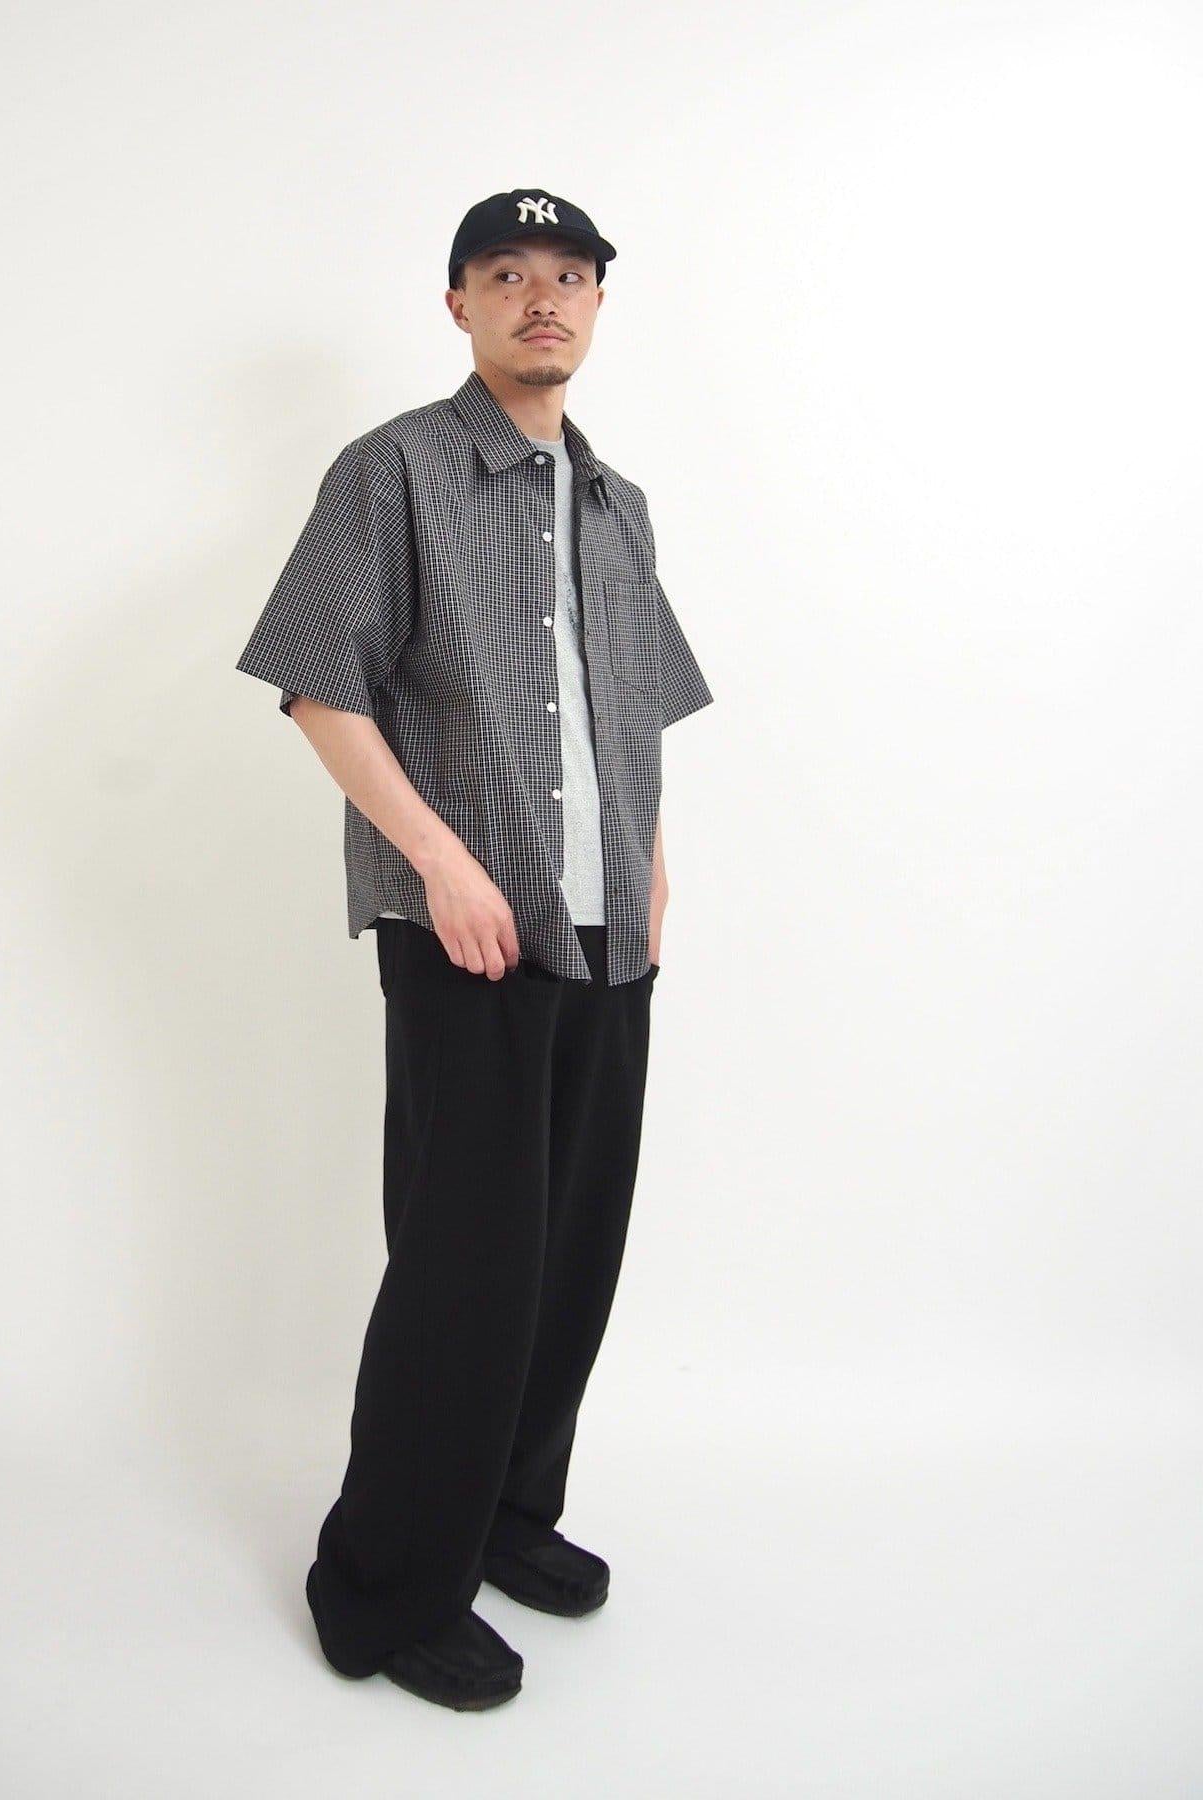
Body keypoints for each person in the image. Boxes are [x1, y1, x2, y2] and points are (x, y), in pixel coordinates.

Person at [235, 188, 715, 1710]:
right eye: (507, 274)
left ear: (597, 305)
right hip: (470, 930)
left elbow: (636, 710)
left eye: (569, 275)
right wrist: (437, 861)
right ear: (460, 305)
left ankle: (504, 1514)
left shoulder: (620, 503)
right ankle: (383, 1588)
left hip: (606, 933)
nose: (542, 298)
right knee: (465, 1269)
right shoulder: (394, 470)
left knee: (572, 1251)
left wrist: (651, 865)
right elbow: (321, 687)